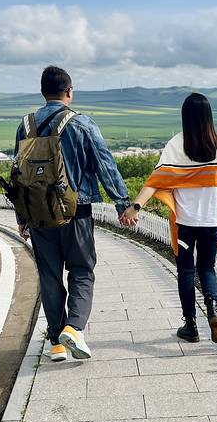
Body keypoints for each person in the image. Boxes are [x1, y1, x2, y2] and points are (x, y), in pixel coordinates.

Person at [15, 66, 131, 362]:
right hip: (76, 211)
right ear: (69, 91)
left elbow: (19, 174)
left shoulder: (25, 126)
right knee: (81, 270)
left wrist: (22, 217)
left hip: (39, 213)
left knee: (49, 276)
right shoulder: (81, 124)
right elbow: (105, 166)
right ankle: (74, 328)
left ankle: (56, 343)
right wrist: (122, 204)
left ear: (42, 92)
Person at [121, 92, 217, 344]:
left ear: (185, 116)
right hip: (212, 222)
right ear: (209, 116)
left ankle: (191, 325)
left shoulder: (176, 145)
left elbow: (155, 181)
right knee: (206, 267)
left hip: (186, 222)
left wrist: (135, 207)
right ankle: (212, 310)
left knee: (186, 270)